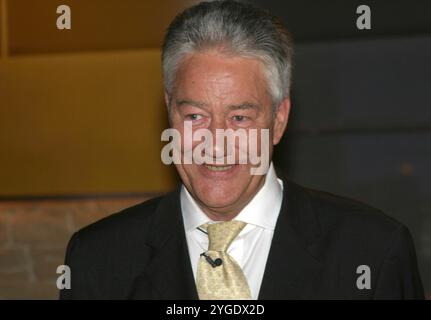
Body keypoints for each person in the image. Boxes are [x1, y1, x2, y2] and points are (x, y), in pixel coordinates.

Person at [60, 0, 424, 299]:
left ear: (279, 120)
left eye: (239, 118)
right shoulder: (97, 260)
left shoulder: (372, 254)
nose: (215, 142)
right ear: (169, 112)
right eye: (195, 116)